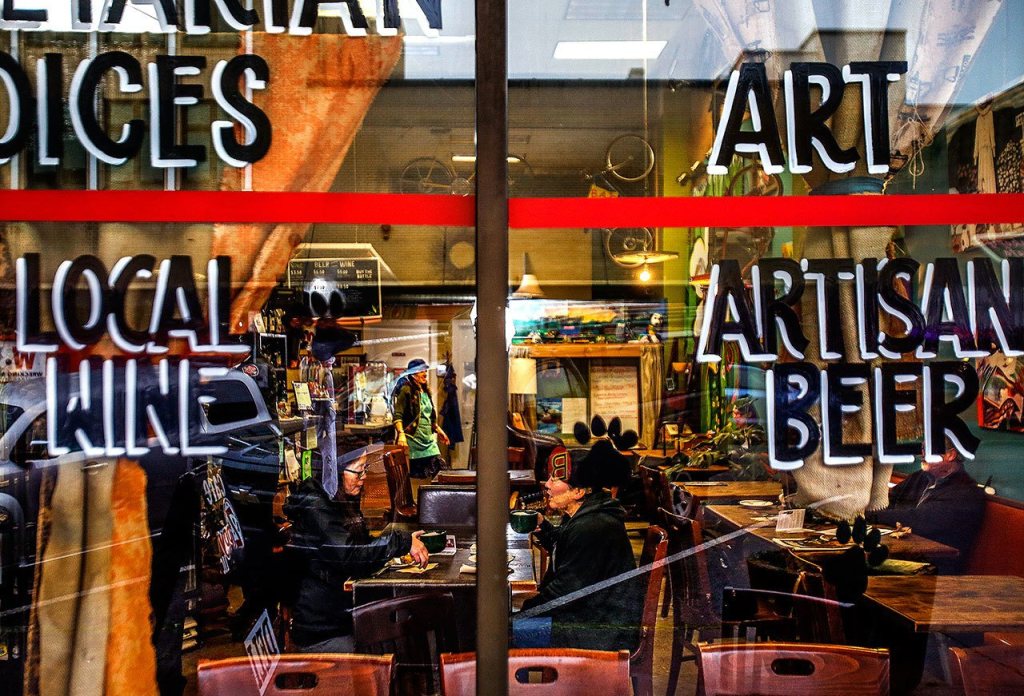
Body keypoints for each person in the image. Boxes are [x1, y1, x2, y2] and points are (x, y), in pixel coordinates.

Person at [283, 448, 430, 652]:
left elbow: (358, 543)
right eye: (359, 471)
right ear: (336, 470)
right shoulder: (317, 503)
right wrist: (400, 542)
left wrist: (398, 545)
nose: (363, 478)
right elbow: (350, 555)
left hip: (343, 615)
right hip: (325, 630)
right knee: (403, 638)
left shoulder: (338, 494)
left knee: (413, 624)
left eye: (365, 470)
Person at [514, 439, 642, 650]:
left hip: (598, 632)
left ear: (578, 491)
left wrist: (523, 611)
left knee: (499, 634)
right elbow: (568, 548)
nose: (546, 485)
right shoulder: (586, 514)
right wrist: (543, 526)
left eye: (554, 480)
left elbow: (565, 590)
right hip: (589, 617)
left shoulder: (592, 527)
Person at [867, 446, 986, 570]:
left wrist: (870, 515)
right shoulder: (921, 477)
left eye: (929, 447)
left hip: (934, 570)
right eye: (923, 448)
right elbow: (888, 500)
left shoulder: (966, 493)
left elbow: (918, 519)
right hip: (903, 556)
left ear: (951, 455)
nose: (922, 453)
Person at [392, 358, 450, 478]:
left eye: (425, 370)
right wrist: (401, 434)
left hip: (428, 440)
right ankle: (417, 495)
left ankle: (435, 495)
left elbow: (429, 416)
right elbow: (398, 415)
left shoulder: (425, 391)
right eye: (421, 371)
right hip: (413, 439)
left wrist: (439, 431)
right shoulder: (406, 390)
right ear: (413, 374)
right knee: (414, 475)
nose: (425, 373)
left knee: (439, 468)